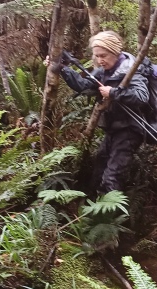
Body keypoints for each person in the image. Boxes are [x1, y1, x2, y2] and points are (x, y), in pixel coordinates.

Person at [59, 30, 151, 193]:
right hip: (112, 130)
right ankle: (94, 203)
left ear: (115, 52)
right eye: (97, 56)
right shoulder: (103, 71)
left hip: (130, 130)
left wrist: (113, 92)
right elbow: (83, 85)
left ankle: (111, 207)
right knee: (98, 171)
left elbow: (141, 96)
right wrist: (62, 68)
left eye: (103, 56)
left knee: (112, 177)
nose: (100, 60)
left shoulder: (131, 69)